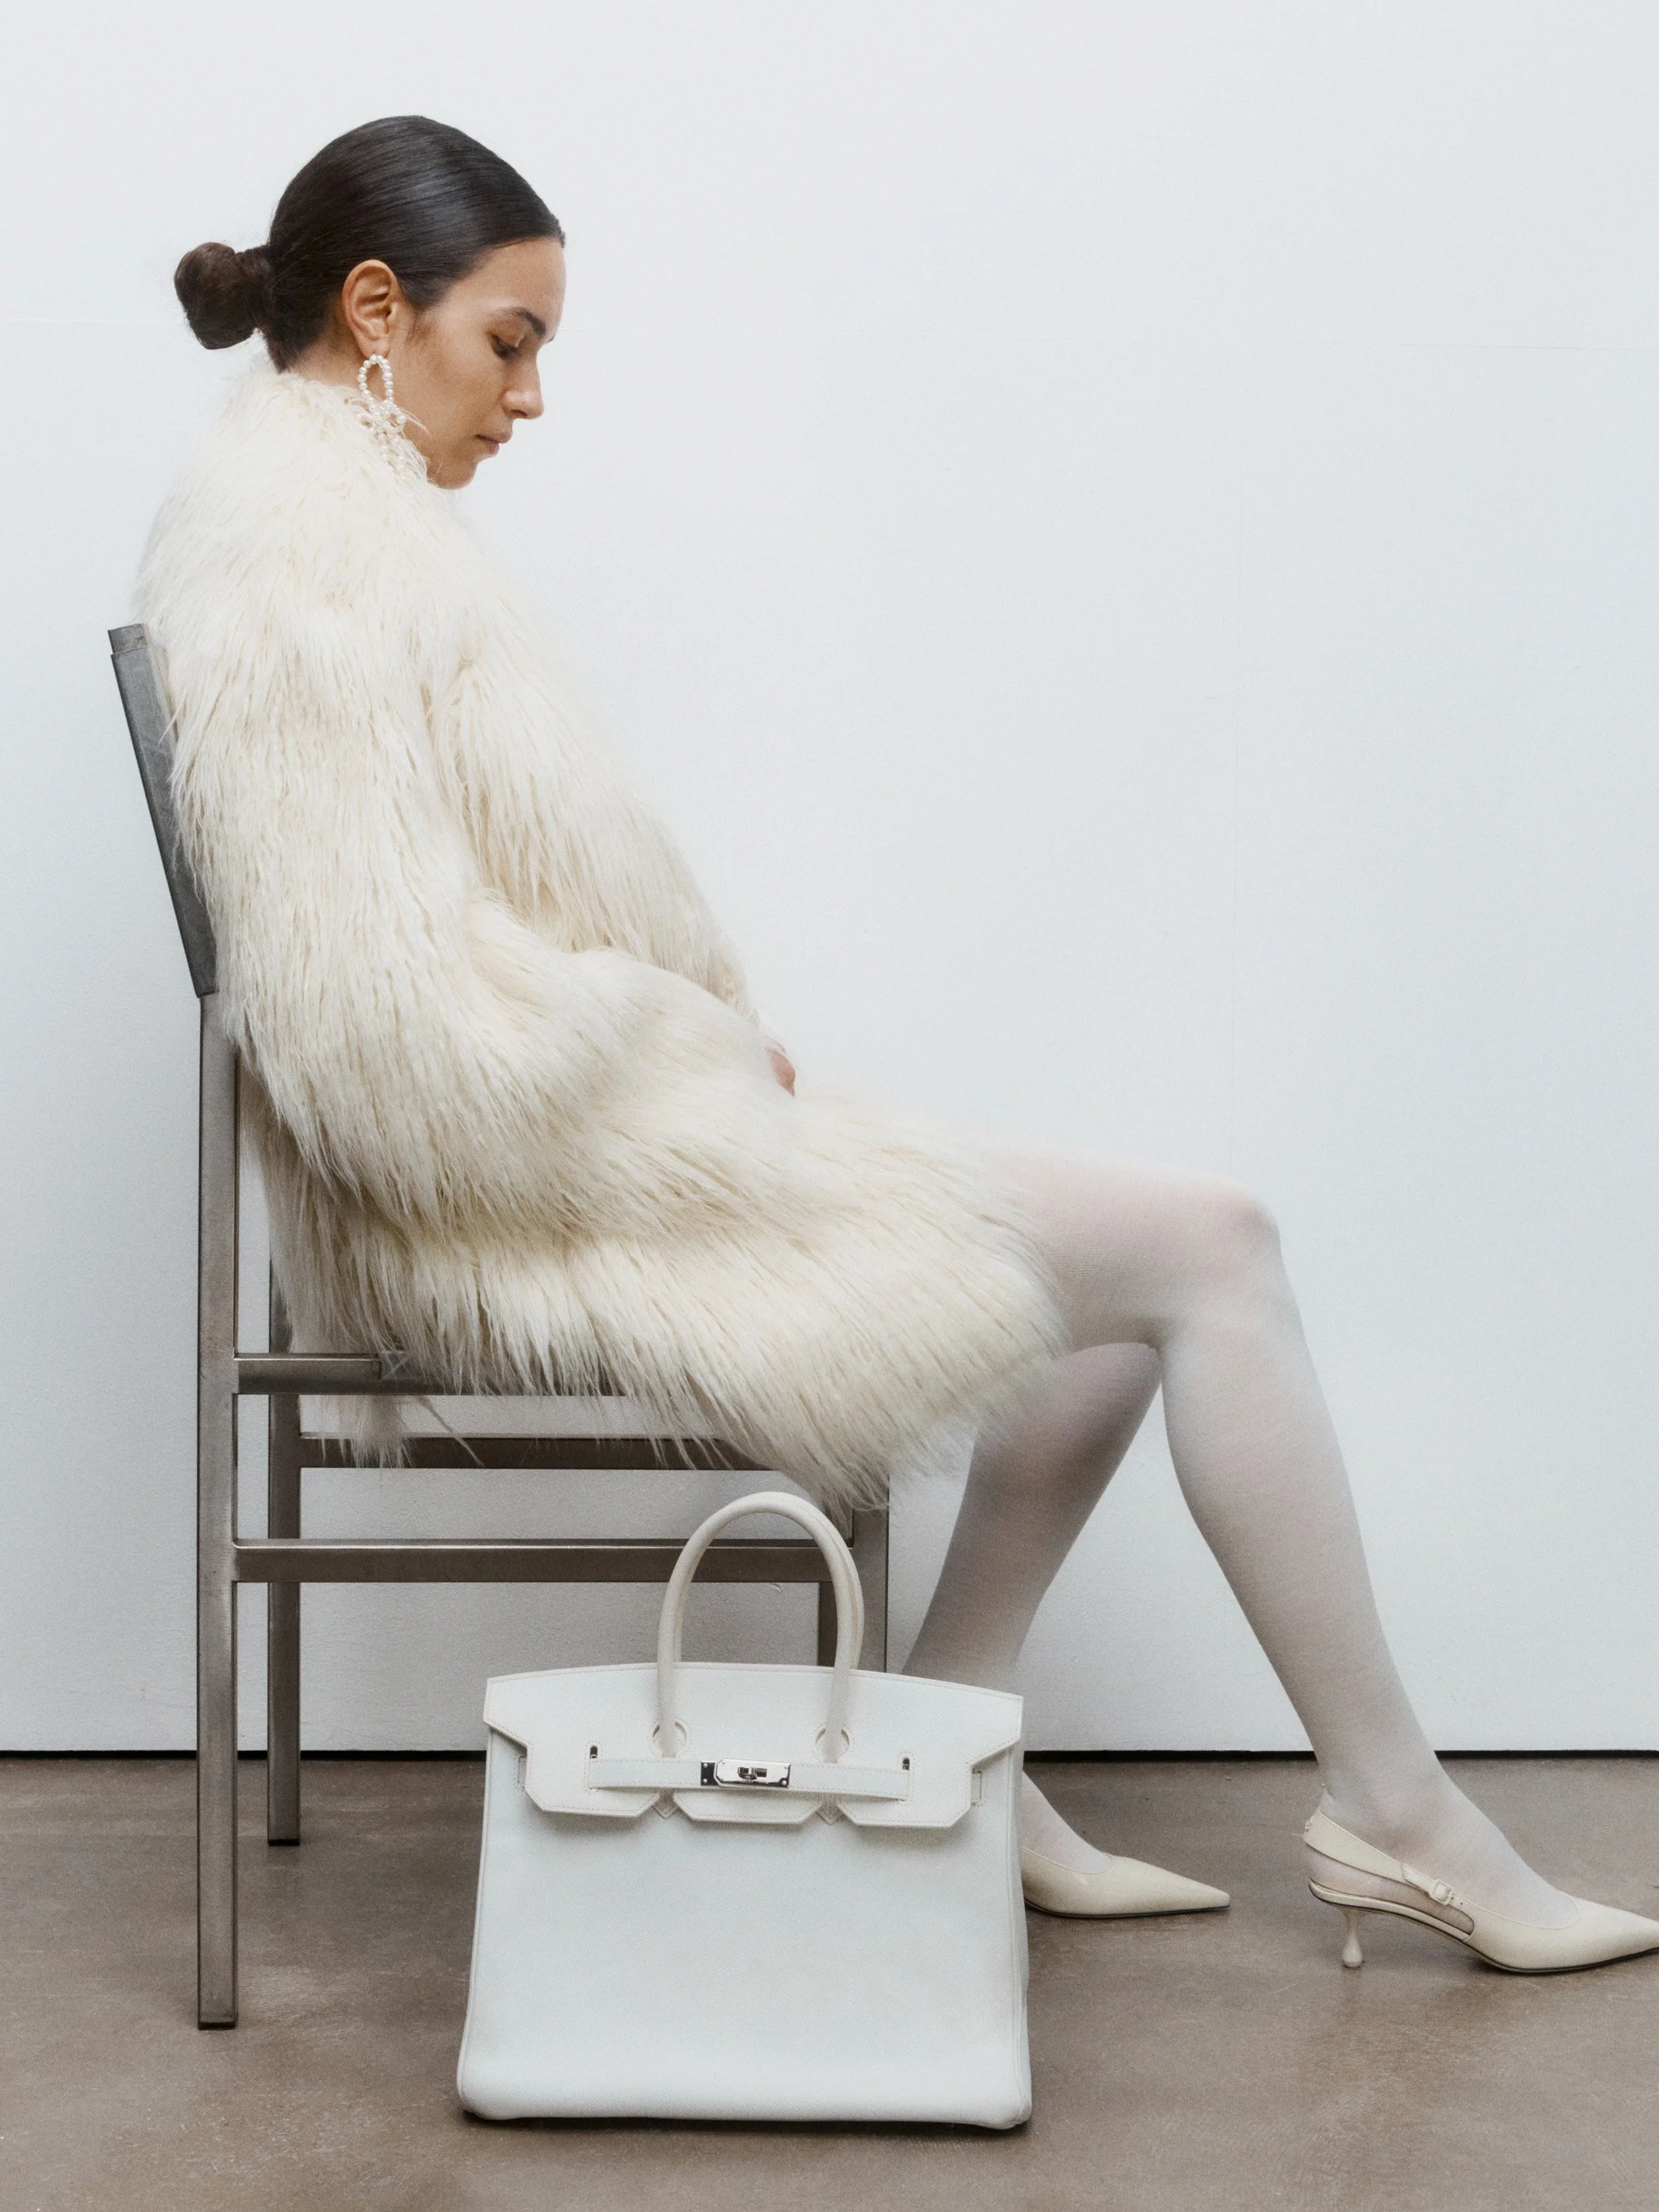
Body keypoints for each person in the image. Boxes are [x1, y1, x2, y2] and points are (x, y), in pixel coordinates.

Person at [140, 115, 1658, 1975]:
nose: (531, 398)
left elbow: (454, 942)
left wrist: (686, 1035)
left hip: (587, 1137)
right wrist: (676, 1057)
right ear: (378, 312)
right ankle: (1404, 1817)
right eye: (508, 341)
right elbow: (383, 1040)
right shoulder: (295, 563)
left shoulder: (334, 529)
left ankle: (961, 1739)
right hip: (531, 1187)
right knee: (1216, 1247)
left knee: (1119, 1299)